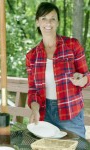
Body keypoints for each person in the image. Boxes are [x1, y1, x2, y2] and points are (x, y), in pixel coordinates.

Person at [26, 2, 90, 138]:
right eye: (44, 18)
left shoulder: (73, 45)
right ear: (37, 22)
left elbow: (87, 77)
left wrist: (81, 80)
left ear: (58, 22)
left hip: (70, 112)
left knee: (77, 147)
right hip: (45, 115)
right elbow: (33, 90)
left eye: (52, 18)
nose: (48, 23)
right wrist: (35, 110)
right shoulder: (32, 56)